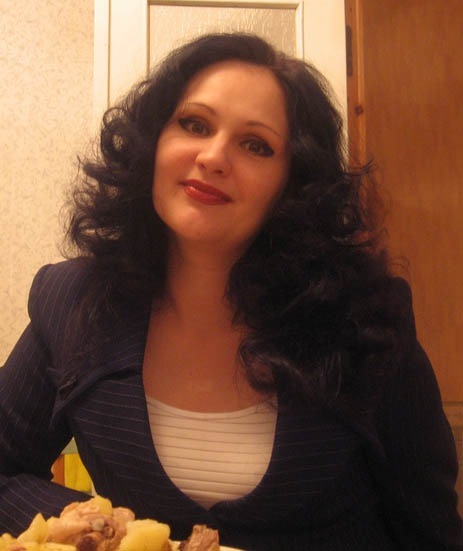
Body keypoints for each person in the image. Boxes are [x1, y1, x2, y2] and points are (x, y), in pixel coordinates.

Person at [0, 32, 461, 550]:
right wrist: (99, 530)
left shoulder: (366, 323)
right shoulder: (72, 301)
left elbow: (431, 532)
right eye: (194, 124)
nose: (214, 156)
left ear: (292, 182)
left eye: (255, 145)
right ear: (154, 142)